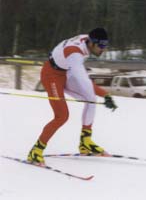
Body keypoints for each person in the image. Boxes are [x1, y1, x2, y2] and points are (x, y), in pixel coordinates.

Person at [27, 28, 117, 164]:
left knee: (91, 99)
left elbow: (84, 84)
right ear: (92, 43)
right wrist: (105, 94)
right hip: (51, 75)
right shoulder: (75, 55)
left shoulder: (87, 41)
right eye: (101, 46)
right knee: (62, 116)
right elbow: (84, 81)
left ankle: (85, 141)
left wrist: (106, 95)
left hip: (65, 72)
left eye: (105, 46)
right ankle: (36, 151)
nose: (103, 49)